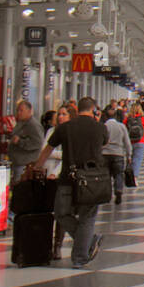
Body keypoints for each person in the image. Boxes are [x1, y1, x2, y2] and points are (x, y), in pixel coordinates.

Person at [31, 96, 107, 269]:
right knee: (87, 217)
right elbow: (105, 143)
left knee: (61, 213)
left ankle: (85, 245)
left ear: (77, 109)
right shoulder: (100, 127)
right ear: (93, 110)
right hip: (92, 180)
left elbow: (47, 149)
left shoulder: (65, 128)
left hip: (67, 178)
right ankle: (81, 255)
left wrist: (37, 167)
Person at [101, 106, 133, 206]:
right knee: (118, 174)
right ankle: (118, 190)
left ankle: (107, 194)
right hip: (118, 153)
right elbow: (127, 142)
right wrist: (129, 155)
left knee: (106, 175)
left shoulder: (103, 126)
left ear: (105, 116)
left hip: (105, 154)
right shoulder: (121, 126)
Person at [8, 99, 44, 186]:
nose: (19, 113)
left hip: (25, 165)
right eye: (17, 110)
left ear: (29, 111)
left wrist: (20, 141)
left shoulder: (33, 125)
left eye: (21, 110)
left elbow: (37, 143)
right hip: (16, 163)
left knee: (20, 189)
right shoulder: (21, 122)